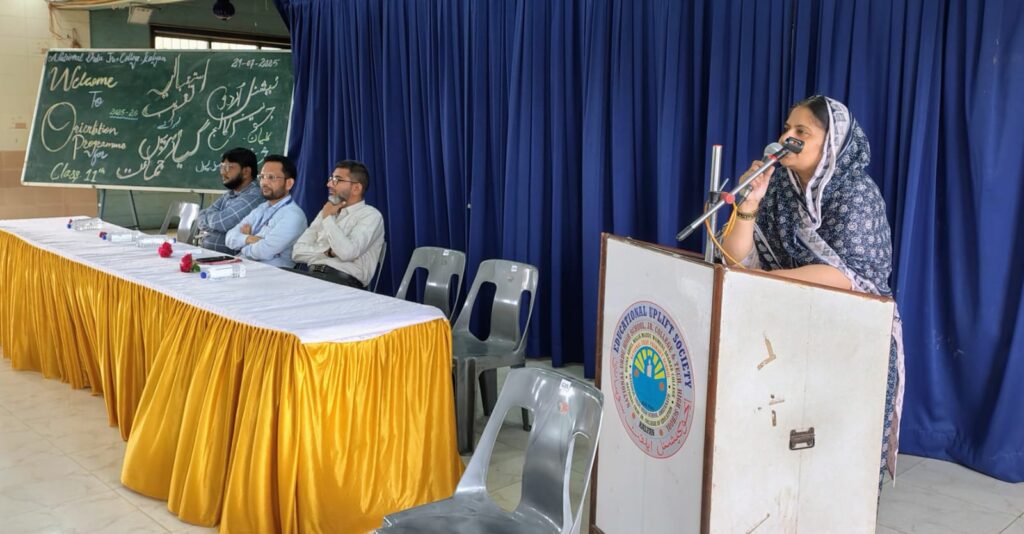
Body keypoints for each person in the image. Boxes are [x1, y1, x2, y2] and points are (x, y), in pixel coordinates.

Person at [719, 95, 905, 486]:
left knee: (833, 466)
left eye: (801, 131)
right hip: (784, 330)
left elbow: (849, 278)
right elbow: (736, 261)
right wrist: (749, 205)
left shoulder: (856, 193)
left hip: (851, 339)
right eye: (787, 128)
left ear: (831, 143)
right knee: (777, 458)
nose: (787, 136)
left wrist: (765, 285)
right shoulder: (778, 188)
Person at [291, 160, 385, 289]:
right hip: (312, 276)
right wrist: (328, 252)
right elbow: (297, 252)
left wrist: (327, 219)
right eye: (331, 179)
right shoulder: (325, 211)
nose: (329, 184)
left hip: (344, 282)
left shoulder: (371, 215)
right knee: (277, 278)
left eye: (337, 180)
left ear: (356, 188)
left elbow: (347, 253)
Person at [225, 155, 307, 268]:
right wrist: (249, 238)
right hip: (245, 266)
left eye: (271, 177)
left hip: (271, 273)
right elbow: (229, 238)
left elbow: (262, 252)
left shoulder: (293, 215)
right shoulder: (262, 208)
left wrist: (242, 244)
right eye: (262, 177)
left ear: (289, 183)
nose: (264, 182)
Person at [195, 147, 264, 254]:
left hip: (232, 260)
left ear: (246, 172)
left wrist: (209, 220)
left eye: (228, 167)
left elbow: (222, 222)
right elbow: (200, 217)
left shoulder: (254, 195)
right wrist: (214, 221)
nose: (223, 172)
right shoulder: (231, 193)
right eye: (222, 167)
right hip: (209, 254)